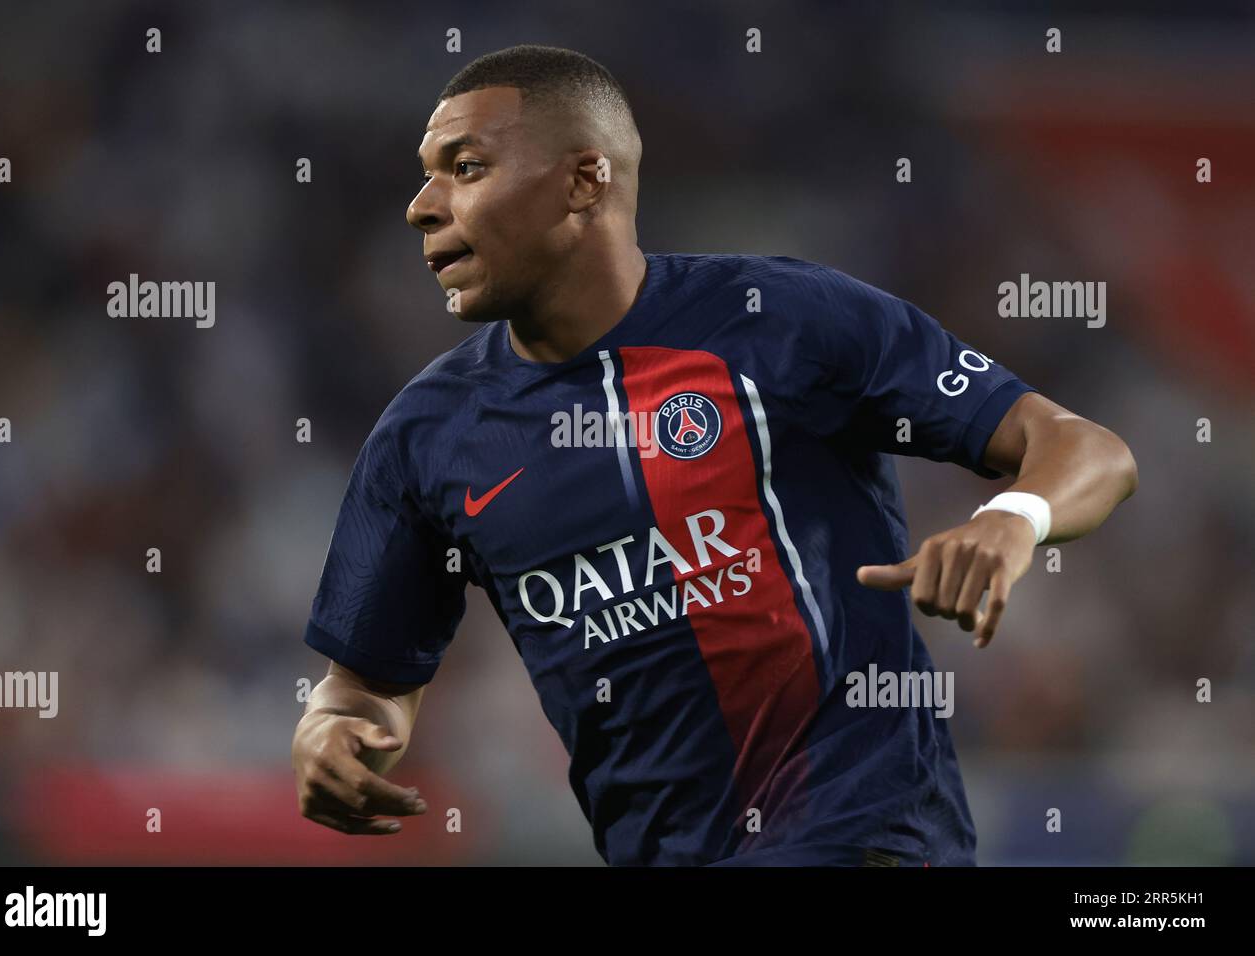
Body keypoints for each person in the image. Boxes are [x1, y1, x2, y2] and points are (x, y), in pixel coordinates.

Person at [291, 44, 1137, 866]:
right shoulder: (427, 436)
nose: (422, 204)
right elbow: (366, 679)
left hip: (863, 839)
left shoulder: (782, 318)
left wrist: (1013, 516)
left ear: (586, 180)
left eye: (465, 167)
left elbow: (1085, 449)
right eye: (427, 173)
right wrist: (334, 731)